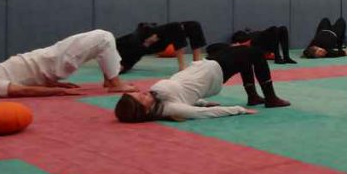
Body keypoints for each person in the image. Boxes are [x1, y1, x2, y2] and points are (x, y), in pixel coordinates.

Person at [113, 44, 290, 123]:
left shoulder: (156, 97)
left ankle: (253, 96)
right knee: (256, 54)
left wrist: (202, 102)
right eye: (140, 98)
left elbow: (184, 95)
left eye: (137, 94)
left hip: (205, 66)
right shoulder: (170, 108)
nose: (141, 93)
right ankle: (270, 98)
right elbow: (203, 114)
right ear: (144, 110)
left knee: (244, 56)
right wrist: (238, 109)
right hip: (214, 72)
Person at [0, 30, 135, 98]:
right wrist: (58, 91)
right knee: (103, 37)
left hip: (51, 60)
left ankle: (110, 80)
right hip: (53, 61)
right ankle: (114, 82)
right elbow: (22, 91)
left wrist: (53, 84)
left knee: (100, 43)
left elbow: (25, 80)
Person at [116, 21, 207, 73]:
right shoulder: (126, 60)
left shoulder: (116, 45)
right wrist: (145, 45)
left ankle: (196, 63)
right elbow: (128, 62)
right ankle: (184, 67)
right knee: (176, 27)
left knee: (193, 25)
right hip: (144, 44)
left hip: (146, 35)